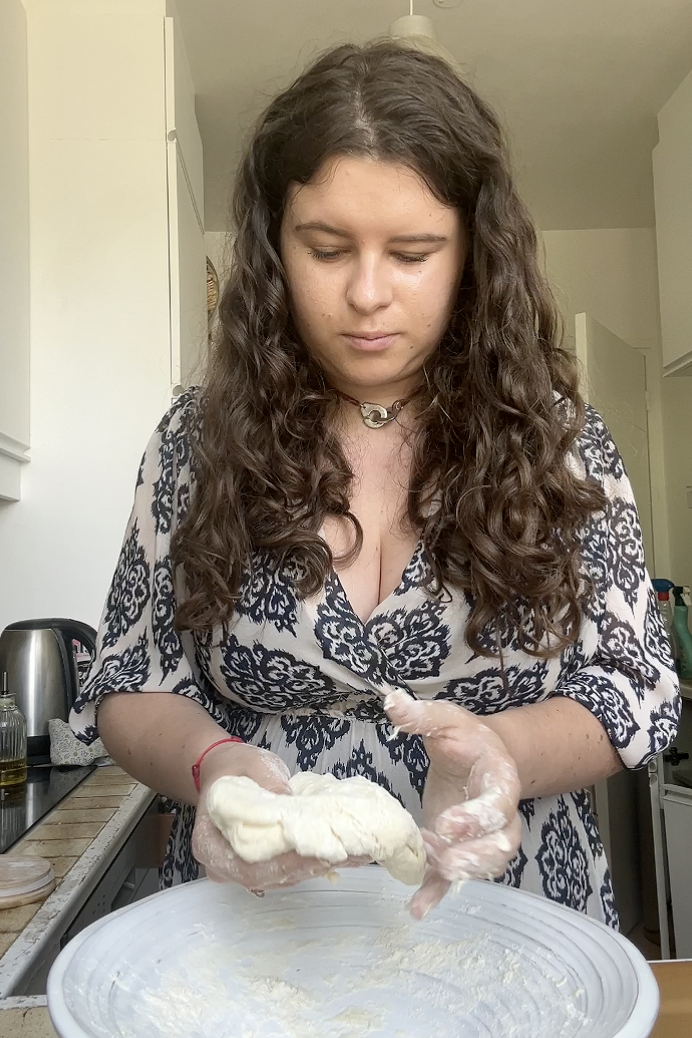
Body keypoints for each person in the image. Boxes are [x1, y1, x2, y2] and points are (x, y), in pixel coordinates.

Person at [70, 40, 680, 925]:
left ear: (473, 254)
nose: (366, 294)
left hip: (506, 915)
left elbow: (634, 682)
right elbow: (132, 681)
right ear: (275, 246)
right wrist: (215, 770)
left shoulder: (558, 440)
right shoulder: (195, 444)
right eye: (326, 247)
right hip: (253, 925)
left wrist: (504, 750)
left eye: (413, 252)